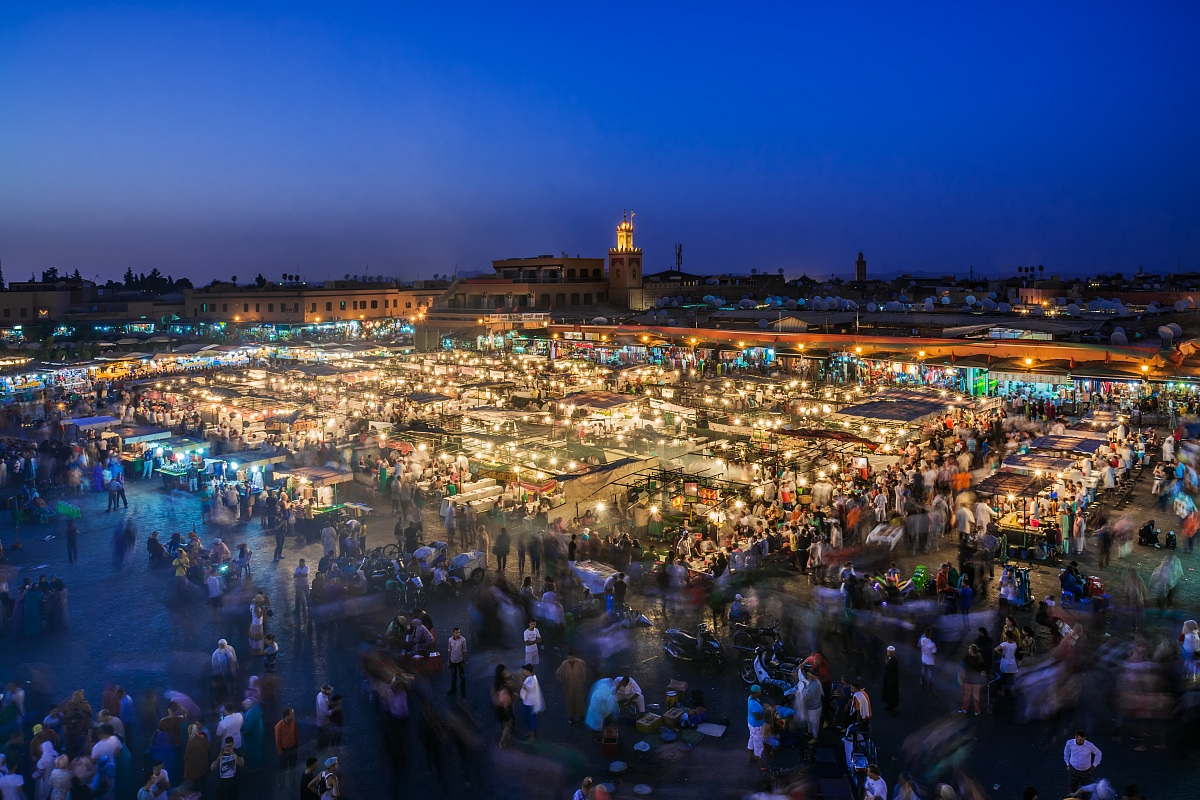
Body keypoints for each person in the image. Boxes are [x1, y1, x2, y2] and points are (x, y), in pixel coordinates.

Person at [555, 652, 590, 725]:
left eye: (572, 657)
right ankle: (571, 718)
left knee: (580, 702)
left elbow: (584, 672)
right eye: (569, 658)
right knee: (569, 702)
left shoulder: (580, 663)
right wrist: (563, 681)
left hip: (578, 686)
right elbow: (558, 673)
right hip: (568, 686)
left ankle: (581, 717)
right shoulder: (564, 664)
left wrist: (582, 681)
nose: (571, 659)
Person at [957, 644, 988, 715]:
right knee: (976, 696)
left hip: (968, 680)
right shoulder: (980, 659)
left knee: (966, 695)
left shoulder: (966, 658)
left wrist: (960, 678)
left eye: (969, 648)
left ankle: (964, 709)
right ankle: (977, 711)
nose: (968, 650)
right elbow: (983, 671)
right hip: (977, 681)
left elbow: (963, 669)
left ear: (971, 650)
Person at [519, 665, 544, 740]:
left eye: (524, 670)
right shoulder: (530, 678)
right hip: (527, 702)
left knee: (530, 719)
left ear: (528, 671)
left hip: (529, 703)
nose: (523, 671)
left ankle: (532, 737)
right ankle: (531, 732)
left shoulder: (531, 680)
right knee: (528, 718)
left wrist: (521, 683)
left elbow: (526, 688)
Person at [746, 685, 766, 763]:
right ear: (756, 693)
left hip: (751, 724)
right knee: (758, 745)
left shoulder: (751, 698)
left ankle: (750, 757)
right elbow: (757, 717)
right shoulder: (753, 704)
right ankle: (761, 764)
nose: (761, 692)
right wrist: (765, 713)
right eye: (759, 691)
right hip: (756, 727)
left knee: (752, 739)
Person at [447, 627, 467, 698]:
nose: (458, 634)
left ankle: (463, 691)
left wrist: (464, 662)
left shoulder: (463, 640)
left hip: (460, 661)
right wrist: (448, 661)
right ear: (453, 633)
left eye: (459, 632)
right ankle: (453, 689)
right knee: (453, 676)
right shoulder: (450, 640)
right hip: (453, 661)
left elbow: (464, 651)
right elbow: (449, 651)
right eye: (456, 633)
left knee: (462, 676)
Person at [881, 645, 899, 715]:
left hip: (892, 681)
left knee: (892, 693)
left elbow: (893, 671)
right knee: (888, 692)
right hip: (888, 679)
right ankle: (889, 705)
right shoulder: (888, 658)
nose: (888, 653)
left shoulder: (894, 661)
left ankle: (893, 708)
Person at [918, 628, 937, 694]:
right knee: (930, 676)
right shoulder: (932, 644)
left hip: (923, 659)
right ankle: (930, 690)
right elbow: (934, 652)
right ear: (930, 634)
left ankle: (922, 686)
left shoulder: (922, 640)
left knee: (923, 673)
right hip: (930, 662)